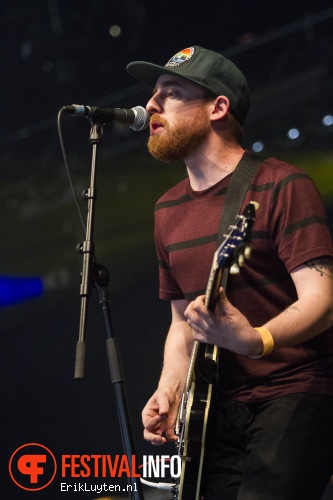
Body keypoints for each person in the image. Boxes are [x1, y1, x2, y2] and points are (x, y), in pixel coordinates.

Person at [126, 46, 333, 499]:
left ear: (218, 107)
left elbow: (321, 300)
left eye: (172, 93)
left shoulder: (282, 184)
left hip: (294, 391)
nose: (151, 106)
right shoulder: (167, 210)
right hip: (216, 411)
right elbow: (183, 322)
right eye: (153, 95)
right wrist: (169, 390)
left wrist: (256, 339)